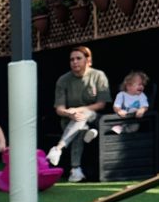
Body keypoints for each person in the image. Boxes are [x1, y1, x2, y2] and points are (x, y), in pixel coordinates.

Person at [47, 46, 111, 182]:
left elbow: (101, 104)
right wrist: (69, 113)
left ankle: (58, 148)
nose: (74, 62)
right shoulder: (63, 80)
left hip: (95, 118)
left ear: (88, 60)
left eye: (78, 58)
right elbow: (59, 109)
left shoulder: (98, 75)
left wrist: (78, 110)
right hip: (70, 120)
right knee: (81, 128)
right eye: (72, 59)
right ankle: (75, 171)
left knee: (85, 114)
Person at [110, 70, 149, 134]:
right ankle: (117, 129)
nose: (141, 87)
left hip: (134, 119)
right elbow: (116, 106)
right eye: (139, 84)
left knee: (135, 126)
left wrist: (142, 110)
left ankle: (122, 131)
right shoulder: (121, 95)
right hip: (122, 118)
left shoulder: (142, 95)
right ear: (128, 86)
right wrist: (119, 110)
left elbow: (145, 106)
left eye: (143, 85)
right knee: (113, 123)